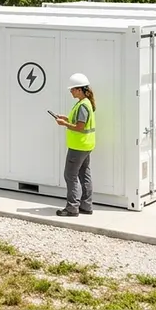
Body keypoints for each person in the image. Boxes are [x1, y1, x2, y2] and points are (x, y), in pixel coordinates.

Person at [54, 73, 96, 217]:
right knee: (84, 175)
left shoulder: (82, 106)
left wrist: (64, 124)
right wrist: (66, 118)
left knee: (70, 175)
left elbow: (79, 127)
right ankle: (86, 205)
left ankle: (72, 207)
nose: (70, 91)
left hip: (78, 146)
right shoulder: (85, 103)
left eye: (72, 89)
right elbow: (78, 121)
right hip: (86, 145)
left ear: (79, 90)